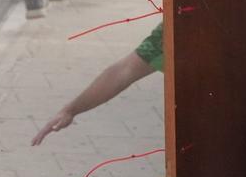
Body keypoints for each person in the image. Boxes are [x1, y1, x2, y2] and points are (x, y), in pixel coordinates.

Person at [30, 23, 165, 144]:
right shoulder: (173, 25)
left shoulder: (176, 21)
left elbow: (126, 70)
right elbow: (125, 70)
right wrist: (70, 110)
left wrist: (70, 110)